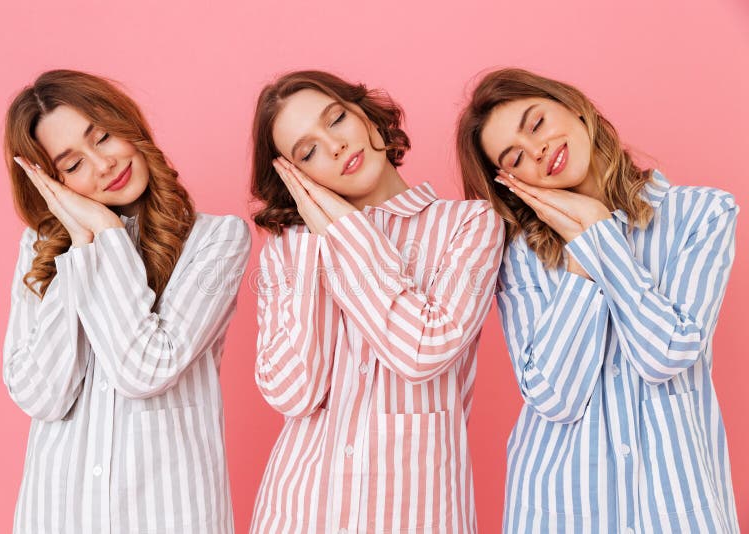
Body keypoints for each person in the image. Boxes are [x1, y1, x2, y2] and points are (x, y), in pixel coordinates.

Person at [457, 67, 739, 533]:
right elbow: (553, 397)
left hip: (677, 503)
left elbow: (665, 353)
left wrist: (598, 233)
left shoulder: (703, 214)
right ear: (510, 181)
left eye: (537, 123)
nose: (538, 149)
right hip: (558, 507)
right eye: (515, 156)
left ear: (575, 107)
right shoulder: (518, 256)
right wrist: (582, 261)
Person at [249, 70, 504, 533]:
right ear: (294, 175)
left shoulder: (469, 224)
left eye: (337, 120)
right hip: (301, 510)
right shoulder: (290, 250)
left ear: (367, 115)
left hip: (418, 512)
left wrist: (346, 234)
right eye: (306, 152)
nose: (335, 146)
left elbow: (423, 349)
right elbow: (294, 394)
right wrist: (315, 240)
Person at [3, 69, 249, 534]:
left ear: (128, 124)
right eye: (72, 165)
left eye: (104, 137)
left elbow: (144, 370)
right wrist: (78, 243)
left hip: (169, 515)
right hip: (55, 514)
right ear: (49, 182)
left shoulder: (217, 240)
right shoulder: (39, 248)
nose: (102, 166)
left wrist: (107, 237)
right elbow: (40, 395)